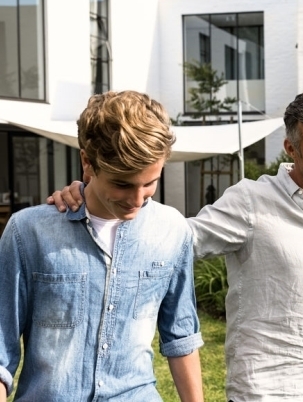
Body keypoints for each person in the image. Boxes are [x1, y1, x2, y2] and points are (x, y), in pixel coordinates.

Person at [48, 89, 303, 402]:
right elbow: (177, 239)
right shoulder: (251, 202)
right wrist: (90, 194)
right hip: (270, 390)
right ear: (291, 148)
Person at [0, 91, 204, 402]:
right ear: (87, 162)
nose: (137, 200)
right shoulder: (28, 232)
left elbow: (182, 337)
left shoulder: (172, 230)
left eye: (150, 182)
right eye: (122, 183)